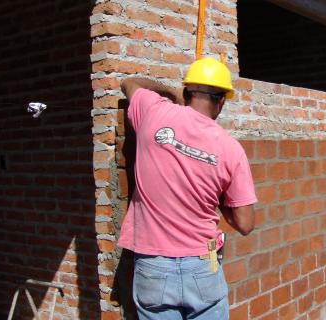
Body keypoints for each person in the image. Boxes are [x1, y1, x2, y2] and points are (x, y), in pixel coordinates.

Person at [118, 57, 257, 320]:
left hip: (152, 264)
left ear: (186, 91)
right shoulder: (230, 149)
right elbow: (245, 223)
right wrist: (219, 198)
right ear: (222, 101)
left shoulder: (154, 112)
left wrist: (170, 93)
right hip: (202, 264)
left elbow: (129, 83)